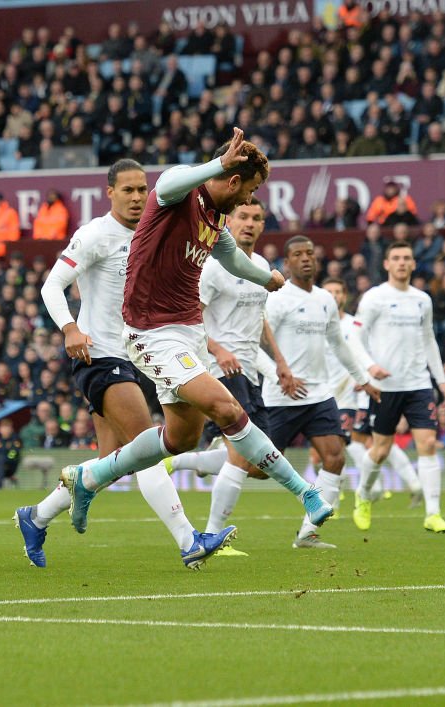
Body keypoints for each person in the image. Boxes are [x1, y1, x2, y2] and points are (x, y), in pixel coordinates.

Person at [58, 129, 335, 549]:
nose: (248, 201)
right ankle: (305, 493)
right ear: (233, 179)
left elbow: (233, 260)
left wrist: (269, 277)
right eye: (250, 191)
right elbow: (168, 183)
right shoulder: (178, 193)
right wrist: (218, 164)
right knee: (227, 407)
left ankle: (89, 477)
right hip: (151, 333)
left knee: (179, 439)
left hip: (188, 334)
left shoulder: (215, 220)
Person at [15, 159, 230, 569]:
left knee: (111, 461)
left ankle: (36, 516)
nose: (136, 198)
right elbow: (51, 285)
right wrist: (69, 329)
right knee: (144, 446)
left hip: (141, 354)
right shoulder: (96, 234)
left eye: (142, 190)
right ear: (109, 192)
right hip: (101, 355)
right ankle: (189, 541)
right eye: (127, 190)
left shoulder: (157, 231)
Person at [164, 197, 296, 557]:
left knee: (263, 464)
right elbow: (190, 316)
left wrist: (278, 363)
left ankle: (182, 461)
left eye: (256, 217)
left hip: (250, 372)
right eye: (242, 216)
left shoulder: (261, 266)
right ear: (229, 221)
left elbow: (259, 318)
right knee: (243, 456)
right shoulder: (213, 266)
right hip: (220, 370)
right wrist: (218, 350)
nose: (249, 223)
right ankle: (212, 537)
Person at [258, 237, 381, 548]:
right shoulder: (278, 298)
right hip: (281, 396)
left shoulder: (326, 298)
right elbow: (257, 341)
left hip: (319, 396)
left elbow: (339, 344)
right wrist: (277, 374)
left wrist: (362, 378)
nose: (305, 259)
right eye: (298, 254)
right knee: (254, 468)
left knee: (335, 458)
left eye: (310, 253)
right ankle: (189, 462)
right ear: (286, 263)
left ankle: (307, 532)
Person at [352, 240, 445, 534]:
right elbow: (355, 339)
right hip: (385, 386)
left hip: (419, 384)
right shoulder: (374, 298)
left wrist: (442, 381)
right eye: (395, 258)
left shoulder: (423, 299)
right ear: (386, 264)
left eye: (406, 258)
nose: (401, 262)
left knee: (427, 444)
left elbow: (428, 341)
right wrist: (370, 367)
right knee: (380, 449)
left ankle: (433, 514)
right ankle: (363, 494)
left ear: (412, 263)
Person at [320, 277, 419, 513]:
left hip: (357, 394)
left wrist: (362, 377)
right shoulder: (313, 326)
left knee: (354, 442)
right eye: (329, 292)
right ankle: (378, 487)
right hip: (326, 393)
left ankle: (350, 496)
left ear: (344, 296)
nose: (334, 296)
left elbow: (369, 352)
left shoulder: (354, 325)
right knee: (355, 442)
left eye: (338, 291)